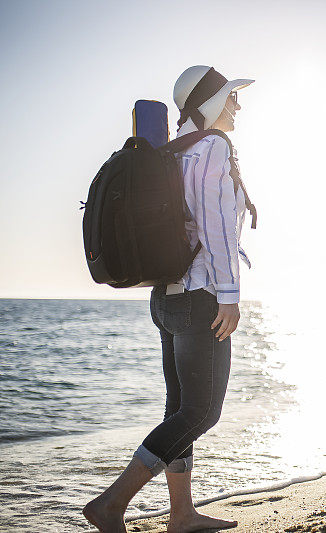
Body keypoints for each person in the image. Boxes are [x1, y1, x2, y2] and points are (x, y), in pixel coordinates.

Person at [83, 65, 255, 533]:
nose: (238, 106)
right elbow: (217, 226)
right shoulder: (213, 146)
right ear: (212, 103)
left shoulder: (167, 150)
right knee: (202, 412)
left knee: (179, 408)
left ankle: (181, 513)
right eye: (231, 97)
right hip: (201, 297)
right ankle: (111, 503)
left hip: (165, 299)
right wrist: (230, 295)